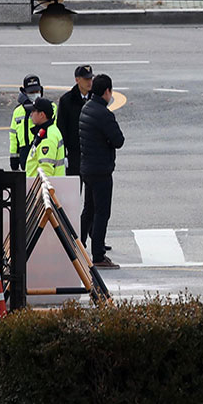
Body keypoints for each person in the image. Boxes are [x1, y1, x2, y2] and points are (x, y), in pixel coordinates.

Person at [80, 74, 125, 269]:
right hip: (101, 170)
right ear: (107, 91)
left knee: (88, 210)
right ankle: (98, 255)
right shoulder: (104, 114)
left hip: (87, 168)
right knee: (101, 213)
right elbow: (118, 140)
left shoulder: (86, 108)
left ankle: (78, 245)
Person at [9, 74, 57, 171]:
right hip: (25, 153)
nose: (35, 94)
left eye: (37, 91)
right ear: (24, 93)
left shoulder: (51, 107)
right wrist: (14, 158)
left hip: (44, 148)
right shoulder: (18, 111)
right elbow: (13, 137)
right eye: (31, 92)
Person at [57, 65, 93, 176]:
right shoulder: (66, 101)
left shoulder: (96, 98)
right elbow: (62, 128)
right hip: (74, 153)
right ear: (77, 80)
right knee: (75, 189)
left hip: (92, 152)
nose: (89, 82)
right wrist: (63, 154)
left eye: (91, 79)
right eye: (86, 79)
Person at [25, 98, 66, 177]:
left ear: (41, 115)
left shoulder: (47, 137)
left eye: (33, 111)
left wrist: (38, 188)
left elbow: (45, 171)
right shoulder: (47, 130)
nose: (31, 114)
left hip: (41, 187)